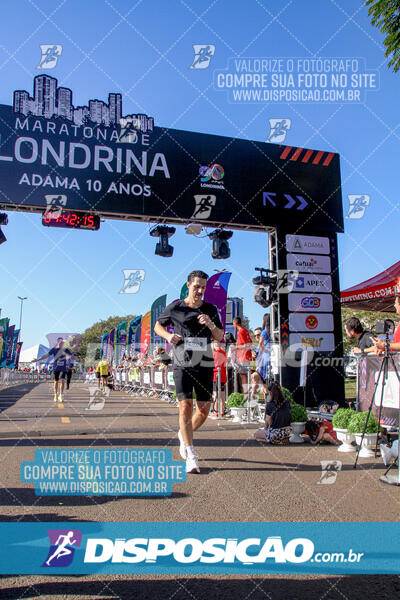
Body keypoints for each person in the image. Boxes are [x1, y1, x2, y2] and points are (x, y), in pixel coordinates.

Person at [154, 270, 224, 473]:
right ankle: (191, 454)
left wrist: (211, 324)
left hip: (204, 361)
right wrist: (168, 336)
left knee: (203, 410)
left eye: (203, 287)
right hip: (182, 361)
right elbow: (158, 325)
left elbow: (219, 336)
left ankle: (184, 434)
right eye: (196, 286)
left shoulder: (210, 309)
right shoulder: (176, 306)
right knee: (185, 406)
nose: (200, 290)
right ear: (188, 285)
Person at [31, 337, 72, 403]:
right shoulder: (54, 349)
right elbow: (46, 355)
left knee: (63, 380)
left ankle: (61, 395)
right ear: (57, 342)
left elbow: (71, 356)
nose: (61, 343)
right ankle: (55, 394)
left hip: (63, 368)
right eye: (60, 342)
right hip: (56, 368)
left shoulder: (66, 349)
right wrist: (37, 359)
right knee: (56, 381)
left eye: (63, 342)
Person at [254, 380, 292, 444]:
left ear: (271, 393)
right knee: (261, 435)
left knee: (256, 435)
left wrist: (265, 430)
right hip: (287, 432)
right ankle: (281, 440)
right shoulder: (287, 402)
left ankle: (272, 440)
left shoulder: (270, 404)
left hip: (276, 432)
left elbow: (268, 422)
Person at [233, 317, 253, 397]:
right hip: (247, 356)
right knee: (247, 376)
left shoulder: (240, 332)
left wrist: (236, 347)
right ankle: (250, 395)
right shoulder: (245, 331)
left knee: (243, 376)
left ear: (235, 323)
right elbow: (250, 343)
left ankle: (246, 396)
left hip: (243, 357)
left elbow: (245, 345)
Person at [211, 340, 227, 417]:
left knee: (216, 394)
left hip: (215, 375)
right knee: (221, 394)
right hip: (222, 376)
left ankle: (216, 411)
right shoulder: (223, 353)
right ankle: (221, 411)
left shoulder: (213, 353)